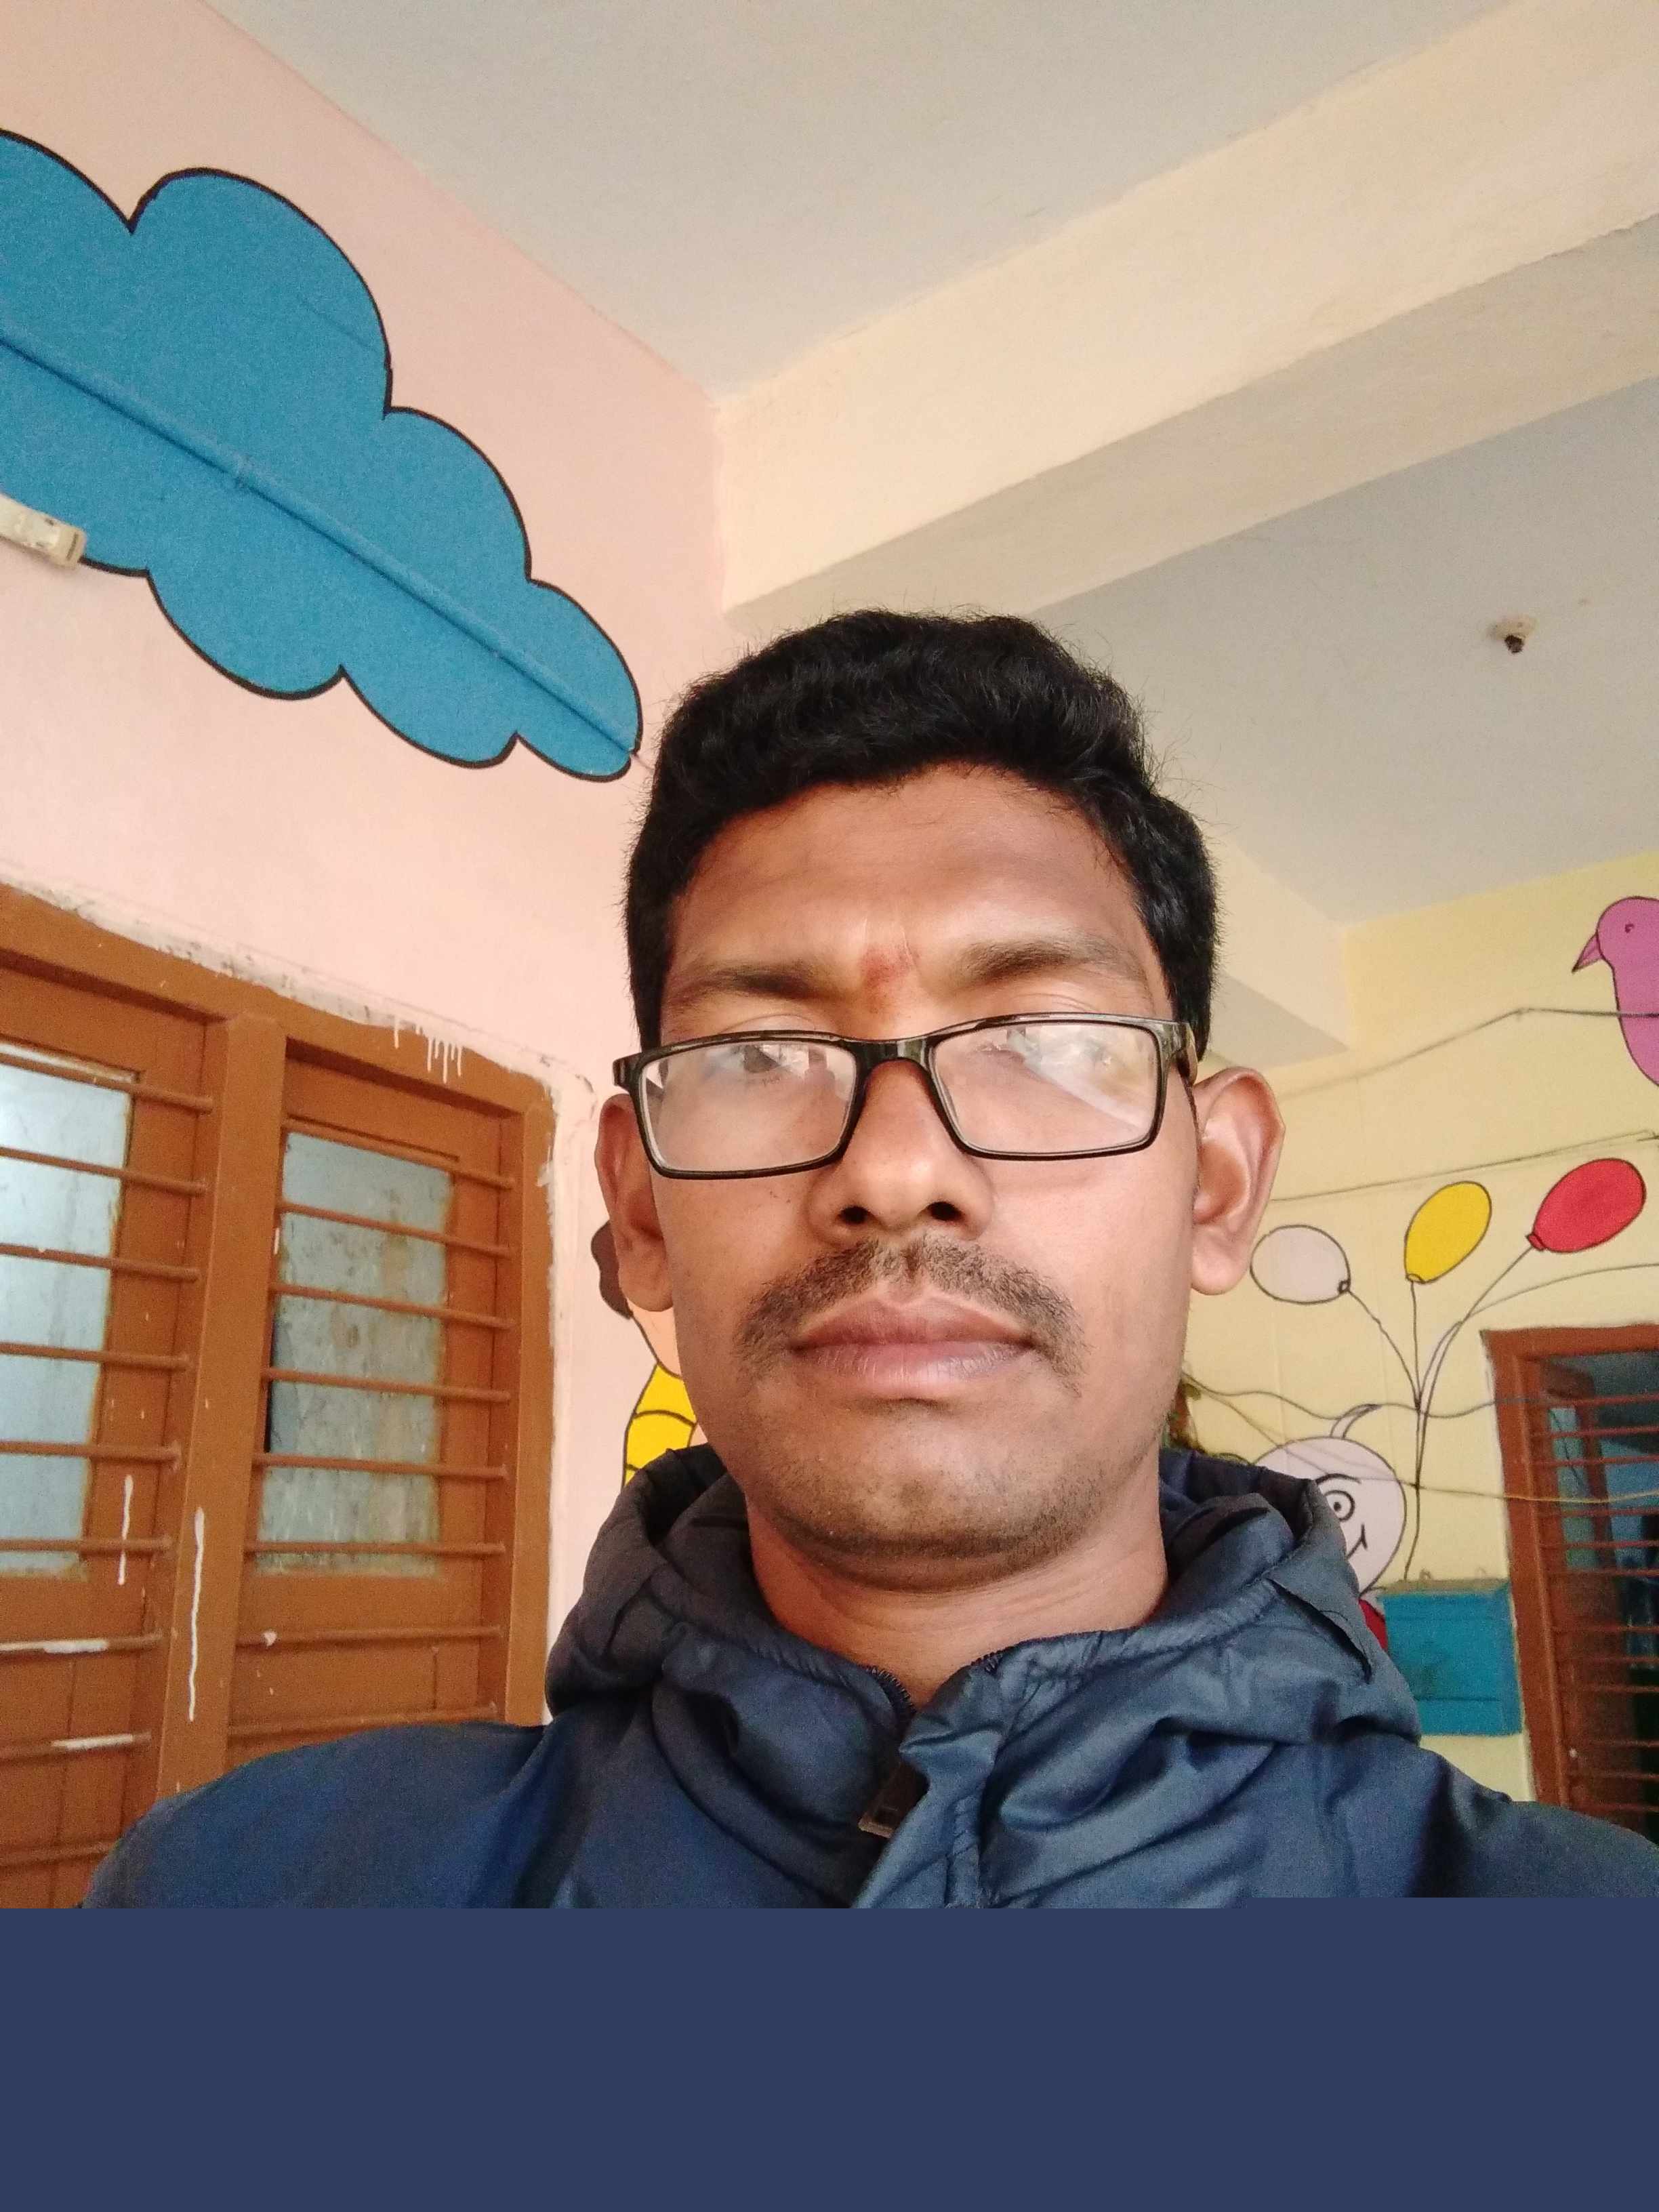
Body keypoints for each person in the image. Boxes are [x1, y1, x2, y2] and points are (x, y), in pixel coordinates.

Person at [88, 612, 1659, 1904]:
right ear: (644, 1213)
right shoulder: (250, 1897)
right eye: (758, 1054)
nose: (895, 1172)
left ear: (1219, 1186)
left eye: (1041, 1039)